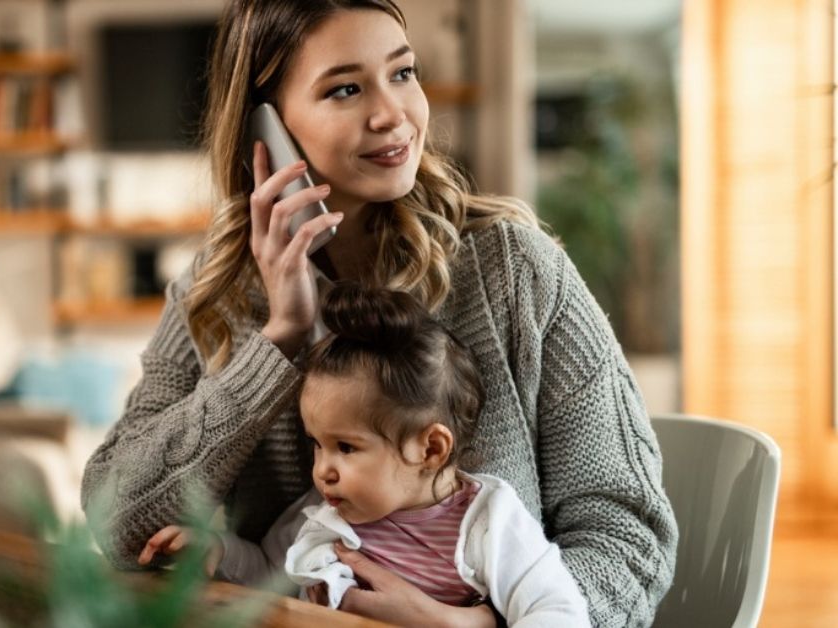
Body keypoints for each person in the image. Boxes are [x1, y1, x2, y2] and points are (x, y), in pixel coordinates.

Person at [81, 0, 677, 625]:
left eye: (402, 73)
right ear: (268, 128)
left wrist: (479, 624)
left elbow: (628, 535)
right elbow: (117, 525)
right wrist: (278, 341)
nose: (393, 115)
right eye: (344, 89)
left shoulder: (514, 270)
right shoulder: (214, 295)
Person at [137, 283, 591, 627]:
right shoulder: (322, 517)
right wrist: (217, 550)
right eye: (318, 444)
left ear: (430, 448)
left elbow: (558, 612)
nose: (322, 470)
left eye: (346, 447)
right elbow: (271, 575)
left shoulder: (490, 522)